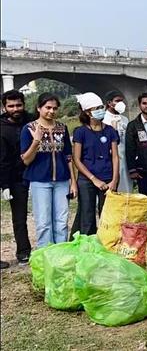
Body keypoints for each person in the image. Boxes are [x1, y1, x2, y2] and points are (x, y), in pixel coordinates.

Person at [20, 93, 76, 247]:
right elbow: (26, 160)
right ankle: (46, 255)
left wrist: (73, 182)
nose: (51, 111)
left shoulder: (62, 128)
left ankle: (61, 253)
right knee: (44, 222)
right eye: (48, 107)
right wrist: (36, 140)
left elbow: (68, 157)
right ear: (39, 108)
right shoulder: (29, 129)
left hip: (62, 180)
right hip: (40, 181)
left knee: (62, 221)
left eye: (54, 108)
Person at [72, 92, 119, 235]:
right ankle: (87, 245)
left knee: (107, 215)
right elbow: (77, 159)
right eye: (95, 108)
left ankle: (106, 242)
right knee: (87, 215)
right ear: (87, 112)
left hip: (107, 177)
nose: (100, 110)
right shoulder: (80, 132)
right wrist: (94, 179)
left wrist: (114, 180)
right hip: (87, 180)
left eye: (101, 107)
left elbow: (115, 157)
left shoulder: (110, 130)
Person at [1, 90, 34, 266]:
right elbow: (2, 159)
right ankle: (23, 252)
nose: (15, 109)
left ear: (24, 104)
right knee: (19, 217)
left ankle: (49, 246)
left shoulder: (33, 120)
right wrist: (4, 184)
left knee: (45, 214)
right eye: (11, 106)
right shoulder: (1, 127)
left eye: (18, 105)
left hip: (37, 174)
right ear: (4, 107)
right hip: (16, 178)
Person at [103, 90, 132, 193]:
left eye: (122, 101)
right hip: (109, 159)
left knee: (126, 189)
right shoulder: (103, 119)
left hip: (125, 158)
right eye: (117, 101)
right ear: (109, 103)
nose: (120, 103)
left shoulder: (125, 119)